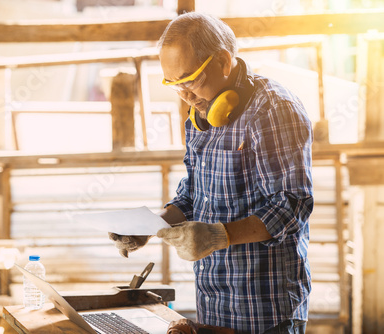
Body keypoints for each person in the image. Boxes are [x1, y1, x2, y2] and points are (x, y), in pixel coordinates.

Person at [109, 12, 314, 334]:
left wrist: (220, 235)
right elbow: (193, 195)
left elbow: (292, 205)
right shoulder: (199, 117)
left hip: (264, 307)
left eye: (190, 79)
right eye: (174, 83)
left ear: (223, 61)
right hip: (213, 301)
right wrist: (148, 226)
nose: (185, 94)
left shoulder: (274, 109)